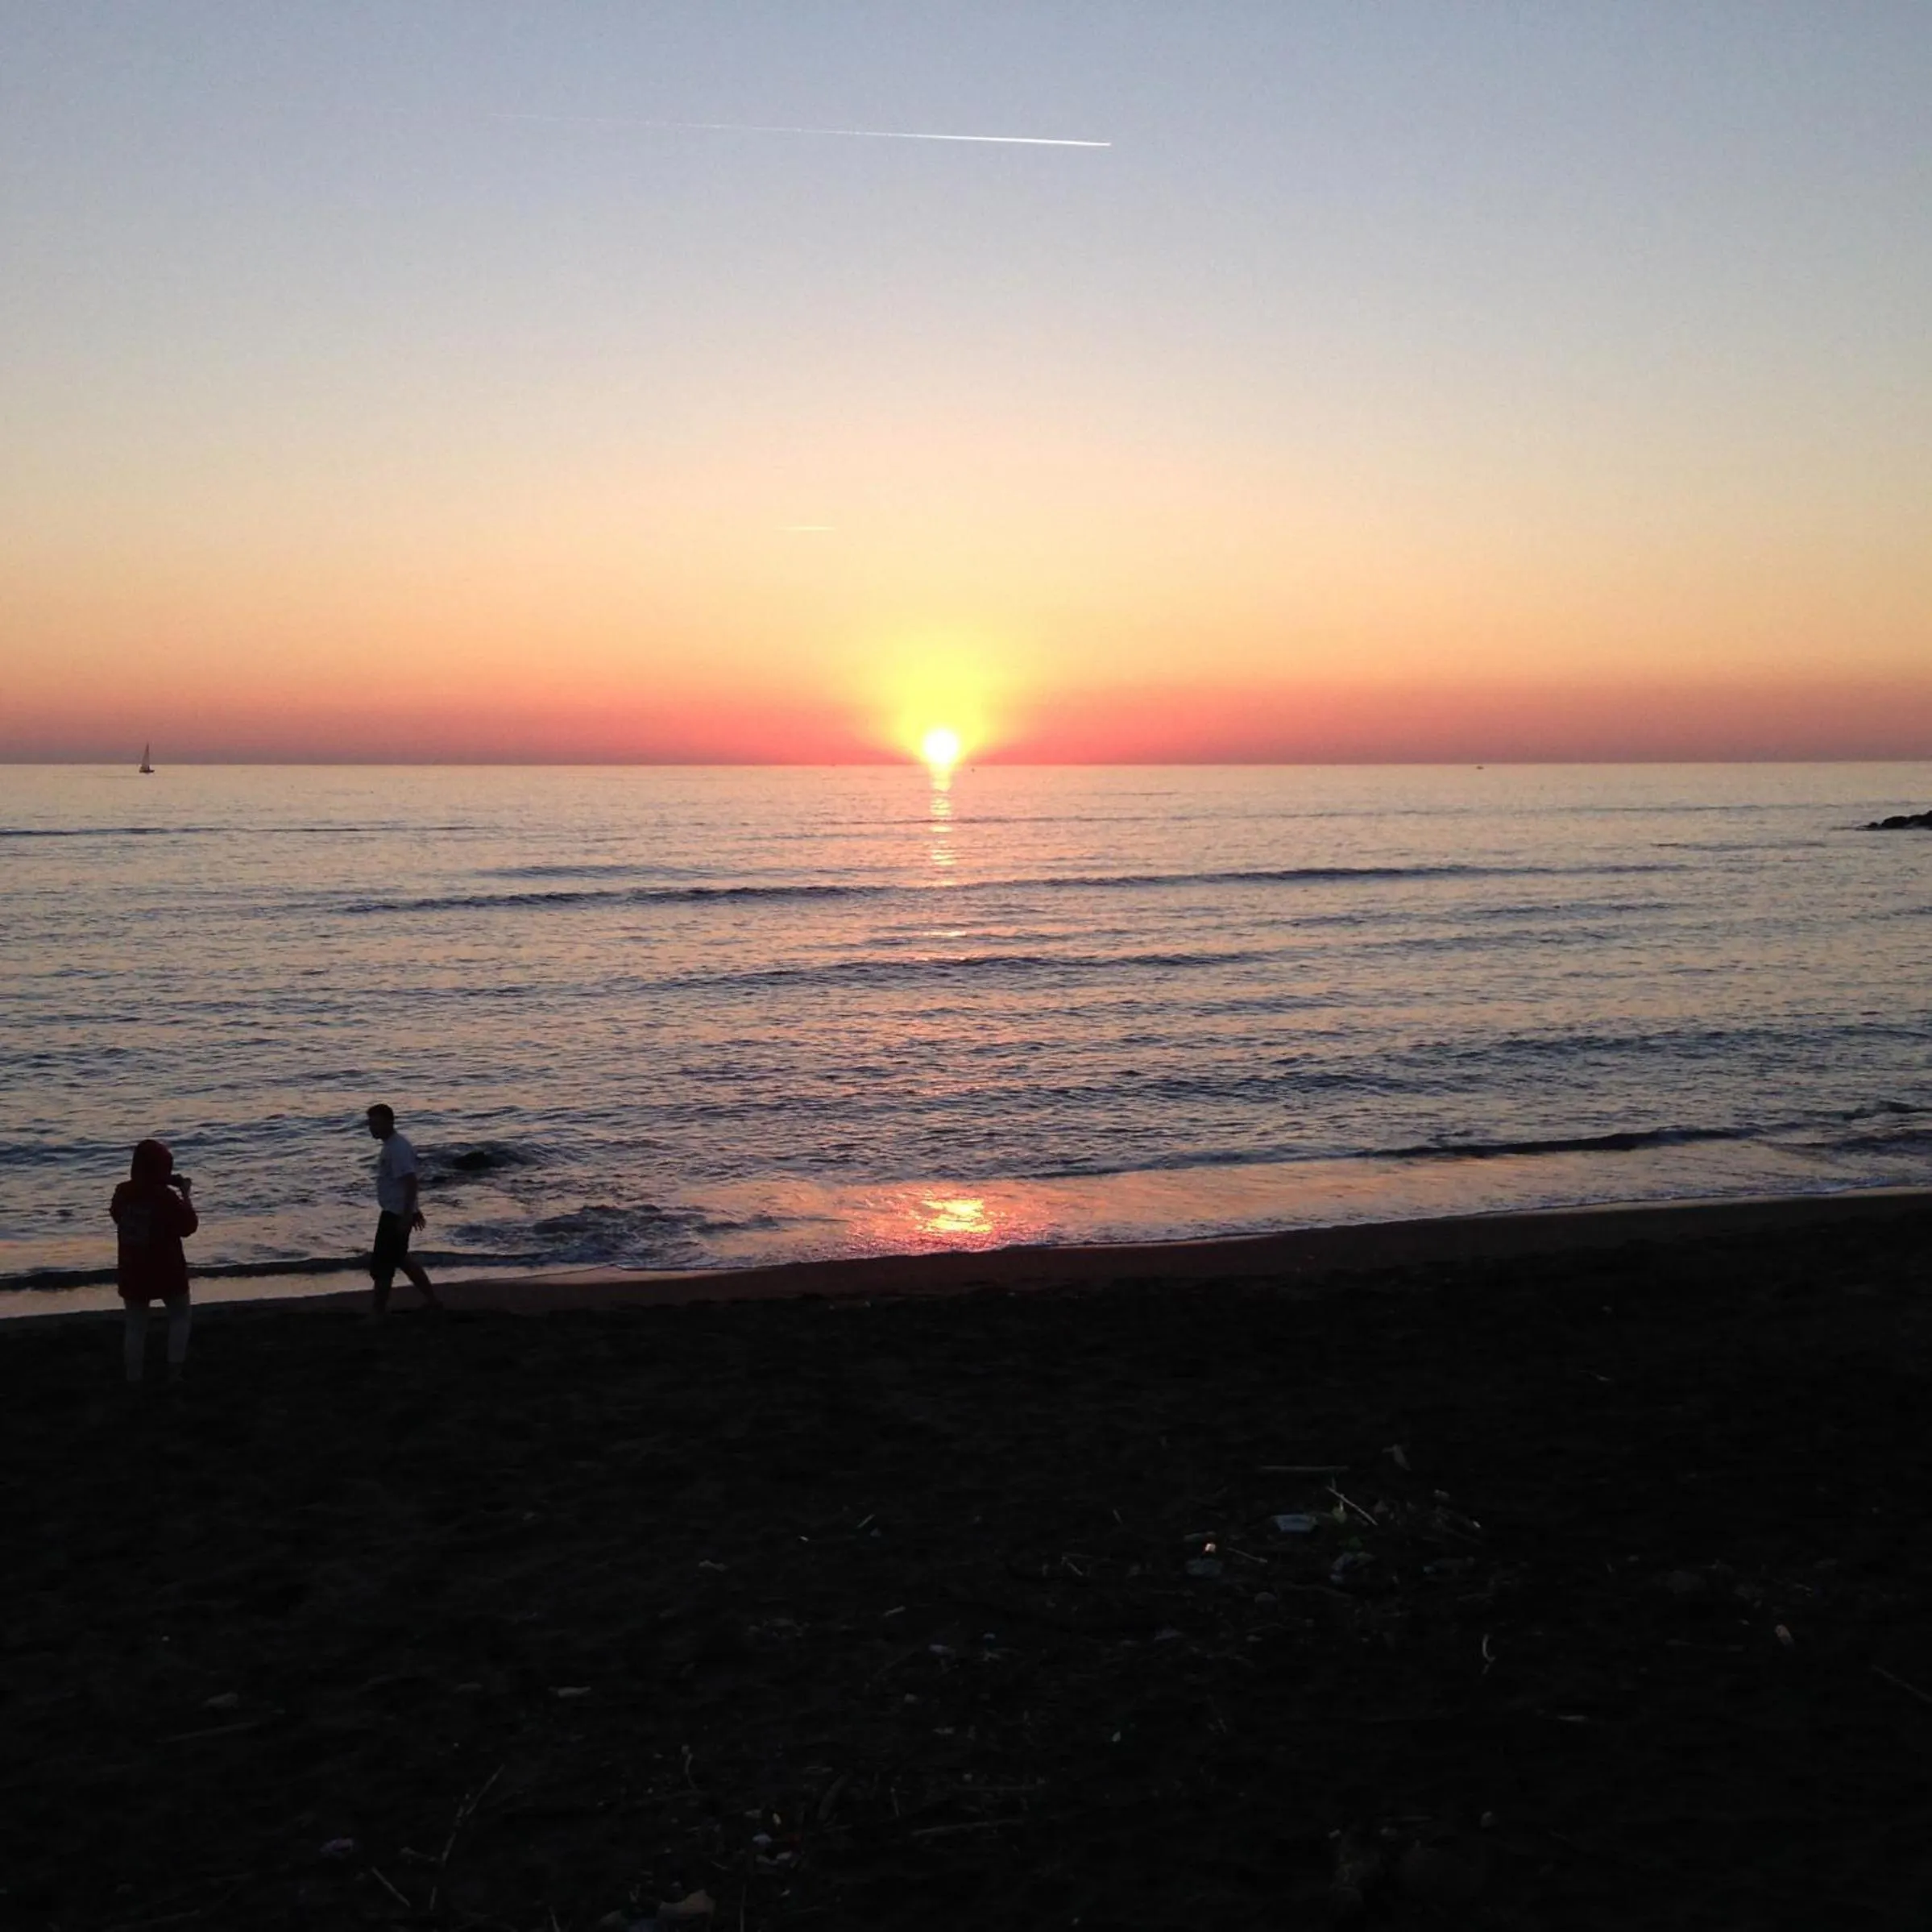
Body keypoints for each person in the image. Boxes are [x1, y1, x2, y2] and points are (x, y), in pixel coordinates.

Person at [110, 1139, 198, 1384]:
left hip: (133, 1267)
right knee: (180, 1316)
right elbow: (189, 1226)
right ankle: (174, 1373)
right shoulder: (165, 1198)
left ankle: (133, 1378)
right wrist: (185, 1194)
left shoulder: (122, 1193)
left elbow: (118, 1217)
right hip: (167, 1268)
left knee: (135, 1326)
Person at [365, 1104, 442, 1314]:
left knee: (382, 1266)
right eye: (371, 1124)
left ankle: (378, 1313)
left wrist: (408, 1215)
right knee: (401, 1258)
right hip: (397, 1211)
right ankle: (432, 1301)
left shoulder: (397, 1148)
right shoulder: (392, 1145)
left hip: (395, 1214)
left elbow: (411, 1181)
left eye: (377, 1123)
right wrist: (415, 1210)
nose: (373, 1128)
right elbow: (405, 1184)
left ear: (390, 1122)